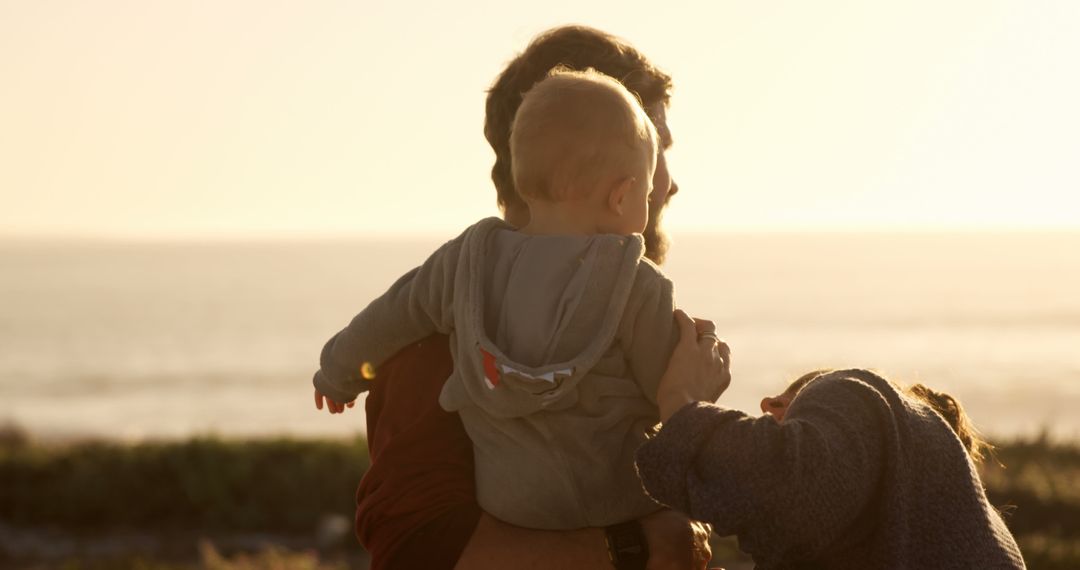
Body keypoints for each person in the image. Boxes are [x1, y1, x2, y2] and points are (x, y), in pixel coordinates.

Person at [315, 26, 713, 569]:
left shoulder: (611, 301)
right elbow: (419, 550)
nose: (668, 186)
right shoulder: (430, 345)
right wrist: (635, 548)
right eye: (656, 149)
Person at [636, 316, 1027, 570]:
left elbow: (783, 483)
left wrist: (683, 403)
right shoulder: (910, 518)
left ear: (779, 404)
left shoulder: (855, 395)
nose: (763, 410)